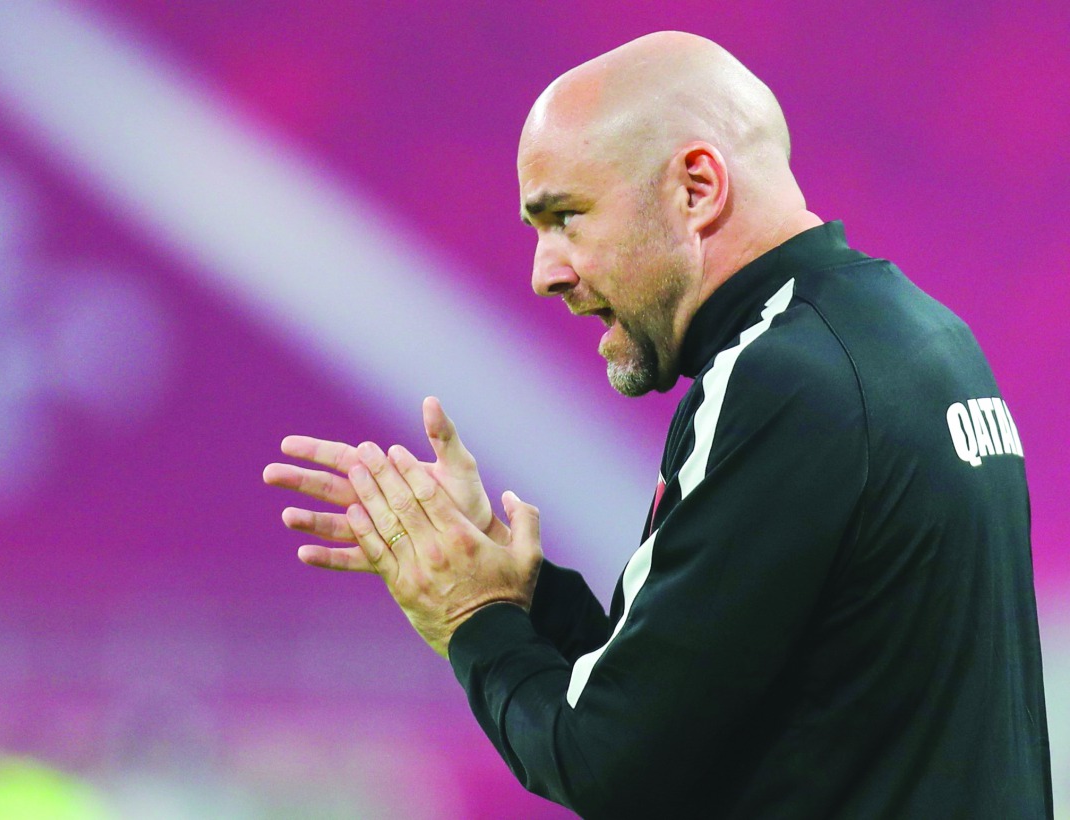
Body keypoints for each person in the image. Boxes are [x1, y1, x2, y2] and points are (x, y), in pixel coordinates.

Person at [263, 31, 1053, 818]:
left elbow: (606, 761)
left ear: (697, 189)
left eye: (566, 217)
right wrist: (524, 596)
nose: (546, 274)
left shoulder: (779, 379)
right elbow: (703, 697)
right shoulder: (922, 339)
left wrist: (471, 617)